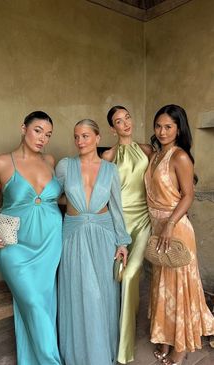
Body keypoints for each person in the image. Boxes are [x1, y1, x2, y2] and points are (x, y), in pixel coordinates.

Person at [0, 111, 62, 365]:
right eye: (38, 130)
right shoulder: (1, 163)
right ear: (23, 127)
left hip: (50, 243)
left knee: (44, 304)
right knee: (34, 303)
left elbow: (60, 197)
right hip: (14, 243)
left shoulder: (50, 160)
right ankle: (51, 361)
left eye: (47, 135)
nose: (42, 139)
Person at [55, 119, 131, 365]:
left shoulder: (111, 170)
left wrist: (122, 242)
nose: (80, 141)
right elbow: (50, 198)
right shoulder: (65, 166)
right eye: (76, 136)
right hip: (73, 234)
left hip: (104, 234)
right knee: (77, 292)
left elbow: (117, 208)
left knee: (102, 294)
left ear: (98, 138)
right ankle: (77, 354)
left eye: (86, 136)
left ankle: (100, 354)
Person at [144, 104, 214, 365]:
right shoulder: (156, 154)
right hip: (157, 225)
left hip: (176, 228)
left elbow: (188, 195)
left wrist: (171, 223)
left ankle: (181, 347)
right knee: (162, 285)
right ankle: (163, 335)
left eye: (168, 127)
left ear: (178, 128)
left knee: (179, 287)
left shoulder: (180, 156)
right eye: (158, 126)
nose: (162, 131)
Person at [102, 105, 152, 363]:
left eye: (127, 117)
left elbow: (161, 180)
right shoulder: (108, 155)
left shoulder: (146, 150)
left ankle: (125, 350)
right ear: (113, 128)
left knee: (131, 274)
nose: (125, 123)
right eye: (119, 121)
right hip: (117, 222)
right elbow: (98, 190)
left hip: (143, 221)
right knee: (117, 276)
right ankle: (111, 330)